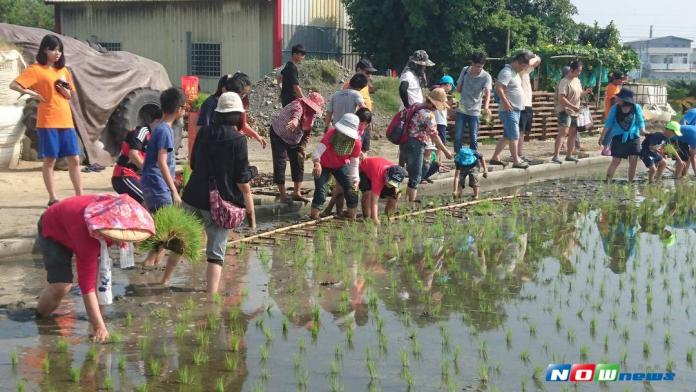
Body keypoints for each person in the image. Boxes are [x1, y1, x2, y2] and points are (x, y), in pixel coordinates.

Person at [36, 194, 154, 342]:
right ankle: (39, 317)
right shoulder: (90, 237)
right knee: (61, 286)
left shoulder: (116, 210)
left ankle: (98, 317)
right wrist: (99, 327)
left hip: (72, 223)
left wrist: (99, 320)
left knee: (101, 271)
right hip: (54, 229)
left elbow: (101, 277)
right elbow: (87, 286)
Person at [182, 92, 257, 293]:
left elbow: (193, 163)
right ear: (238, 115)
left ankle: (161, 278)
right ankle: (211, 298)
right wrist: (253, 172)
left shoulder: (204, 132)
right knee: (215, 255)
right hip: (218, 204)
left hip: (192, 197)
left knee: (177, 241)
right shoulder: (238, 140)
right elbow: (242, 178)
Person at [10, 34, 82, 206]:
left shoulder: (63, 71)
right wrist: (33, 94)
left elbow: (70, 94)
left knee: (75, 158)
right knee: (50, 160)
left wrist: (65, 91)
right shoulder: (36, 69)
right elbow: (14, 84)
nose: (57, 53)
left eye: (59, 50)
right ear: (44, 50)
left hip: (66, 120)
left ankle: (79, 195)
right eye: (52, 49)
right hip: (48, 120)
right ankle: (52, 198)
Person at [140, 88, 186, 277]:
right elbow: (161, 161)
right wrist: (173, 189)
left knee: (161, 229)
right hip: (158, 184)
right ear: (179, 109)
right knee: (165, 231)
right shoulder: (165, 130)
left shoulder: (159, 127)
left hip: (151, 182)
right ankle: (148, 267)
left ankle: (153, 267)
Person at [270, 92, 325, 203]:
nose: (312, 110)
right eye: (311, 107)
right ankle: (283, 196)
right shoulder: (298, 105)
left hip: (295, 140)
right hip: (279, 135)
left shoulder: (311, 115)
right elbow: (297, 114)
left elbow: (307, 133)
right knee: (280, 163)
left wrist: (303, 147)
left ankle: (296, 192)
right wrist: (295, 121)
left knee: (299, 161)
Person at [403, 88, 453, 202]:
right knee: (416, 175)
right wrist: (445, 151)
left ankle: (406, 201)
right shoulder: (428, 115)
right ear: (433, 103)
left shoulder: (416, 106)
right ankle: (411, 204)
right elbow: (435, 136)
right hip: (416, 145)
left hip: (405, 142)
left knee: (412, 174)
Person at [310, 113, 362, 220]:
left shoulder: (356, 143)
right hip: (323, 165)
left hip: (340, 165)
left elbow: (354, 163)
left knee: (352, 190)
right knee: (321, 192)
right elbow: (317, 152)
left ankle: (352, 218)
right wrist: (317, 163)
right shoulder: (331, 134)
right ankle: (314, 217)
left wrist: (355, 180)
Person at [489, 51, 534, 169]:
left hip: (516, 109)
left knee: (508, 136)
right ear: (516, 62)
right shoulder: (506, 72)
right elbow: (499, 88)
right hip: (509, 110)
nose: (522, 69)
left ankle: (495, 157)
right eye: (522, 66)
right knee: (514, 135)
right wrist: (506, 102)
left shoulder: (515, 73)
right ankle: (516, 160)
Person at [198, 73, 266, 148]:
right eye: (241, 94)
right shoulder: (210, 103)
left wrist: (256, 136)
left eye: (243, 95)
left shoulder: (236, 104)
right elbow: (203, 129)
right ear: (224, 89)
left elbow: (243, 124)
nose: (240, 98)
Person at [111, 110, 162, 204]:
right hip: (124, 176)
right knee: (149, 201)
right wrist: (151, 171)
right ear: (157, 121)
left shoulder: (157, 137)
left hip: (139, 177)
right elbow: (133, 155)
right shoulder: (142, 132)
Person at [598, 88, 645, 183]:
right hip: (618, 138)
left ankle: (630, 183)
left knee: (633, 162)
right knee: (616, 161)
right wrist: (602, 136)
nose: (616, 99)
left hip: (633, 137)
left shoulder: (636, 108)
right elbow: (608, 123)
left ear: (625, 99)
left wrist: (643, 130)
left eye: (619, 98)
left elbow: (640, 121)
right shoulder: (615, 108)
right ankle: (607, 181)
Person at [551, 60, 593, 164]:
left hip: (575, 110)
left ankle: (569, 155)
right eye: (578, 71)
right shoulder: (564, 81)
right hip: (564, 110)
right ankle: (556, 156)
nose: (579, 73)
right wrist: (573, 106)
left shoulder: (577, 80)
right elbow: (561, 98)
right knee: (563, 132)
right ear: (572, 70)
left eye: (580, 71)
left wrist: (586, 92)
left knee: (573, 133)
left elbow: (578, 94)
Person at [399, 50, 436, 166]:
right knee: (406, 140)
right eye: (422, 66)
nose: (423, 68)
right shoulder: (407, 74)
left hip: (416, 112)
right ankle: (402, 166)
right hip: (410, 113)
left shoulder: (414, 75)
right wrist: (408, 106)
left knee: (415, 140)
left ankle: (410, 166)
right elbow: (402, 89)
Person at [454, 52, 493, 152]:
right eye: (476, 66)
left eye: (480, 66)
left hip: (475, 111)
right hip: (461, 108)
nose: (477, 68)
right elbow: (458, 88)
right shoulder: (465, 70)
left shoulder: (486, 76)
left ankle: (474, 161)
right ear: (472, 63)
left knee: (473, 138)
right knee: (458, 137)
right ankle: (458, 159)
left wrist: (486, 106)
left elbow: (487, 93)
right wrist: (456, 103)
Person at [358, 157, 407, 225]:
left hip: (379, 170)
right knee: (368, 193)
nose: (390, 185)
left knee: (395, 196)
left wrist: (397, 194)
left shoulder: (397, 173)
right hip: (364, 169)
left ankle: (387, 218)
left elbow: (397, 192)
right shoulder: (378, 177)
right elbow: (374, 201)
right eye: (390, 182)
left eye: (393, 183)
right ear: (386, 174)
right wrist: (375, 219)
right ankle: (367, 218)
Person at [517, 53, 542, 162]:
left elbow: (538, 61)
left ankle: (519, 153)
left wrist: (536, 57)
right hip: (522, 104)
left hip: (528, 104)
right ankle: (518, 154)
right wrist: (534, 56)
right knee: (520, 131)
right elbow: (534, 61)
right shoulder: (521, 70)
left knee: (523, 131)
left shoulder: (526, 71)